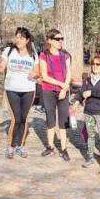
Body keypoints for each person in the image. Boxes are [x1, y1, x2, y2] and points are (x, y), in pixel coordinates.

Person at [0, 27, 39, 159]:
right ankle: (10, 147)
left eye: (21, 38)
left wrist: (35, 74)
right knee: (16, 118)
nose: (18, 40)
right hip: (12, 89)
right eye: (17, 37)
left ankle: (20, 145)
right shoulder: (8, 51)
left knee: (24, 118)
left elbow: (38, 72)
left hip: (28, 89)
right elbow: (0, 68)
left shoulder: (33, 54)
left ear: (27, 40)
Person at [39, 28, 72, 161]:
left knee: (63, 120)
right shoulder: (43, 55)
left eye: (61, 39)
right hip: (48, 91)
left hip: (63, 91)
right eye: (57, 39)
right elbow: (44, 76)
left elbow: (69, 72)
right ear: (50, 41)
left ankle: (64, 149)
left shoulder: (66, 55)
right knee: (50, 118)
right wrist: (60, 84)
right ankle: (50, 146)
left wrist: (64, 88)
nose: (60, 41)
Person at [76, 55, 100, 171]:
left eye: (98, 64)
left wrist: (91, 93)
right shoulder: (87, 80)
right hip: (88, 112)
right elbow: (81, 92)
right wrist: (77, 101)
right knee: (90, 136)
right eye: (93, 64)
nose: (95, 66)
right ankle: (90, 157)